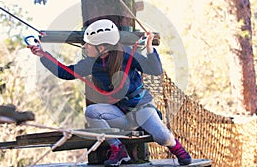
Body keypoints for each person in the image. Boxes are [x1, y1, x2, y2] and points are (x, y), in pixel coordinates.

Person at [28, 19, 191, 167]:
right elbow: (66, 72)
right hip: (119, 113)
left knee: (162, 137)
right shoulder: (91, 63)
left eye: (88, 44)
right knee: (92, 112)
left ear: (101, 47)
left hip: (142, 109)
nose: (84, 47)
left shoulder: (127, 55)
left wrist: (149, 48)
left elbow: (155, 70)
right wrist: (43, 55)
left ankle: (176, 147)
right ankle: (118, 150)